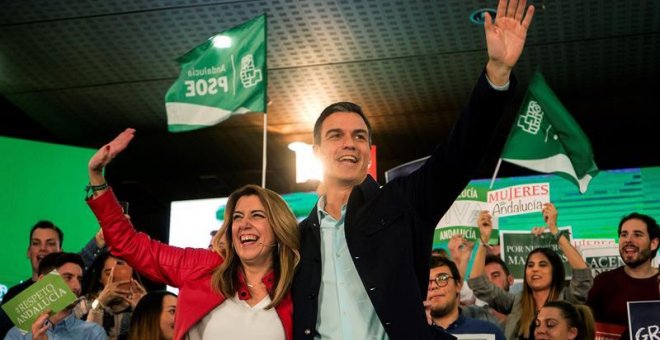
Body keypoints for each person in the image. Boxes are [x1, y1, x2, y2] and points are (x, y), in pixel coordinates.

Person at [292, 0, 535, 338]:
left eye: (359, 136)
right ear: (316, 150)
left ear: (368, 151)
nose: (349, 143)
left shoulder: (403, 204)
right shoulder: (296, 238)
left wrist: (496, 73)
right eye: (336, 135)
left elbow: (459, 153)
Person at [86, 130, 300, 340]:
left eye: (257, 215)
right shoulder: (204, 269)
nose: (244, 224)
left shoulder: (299, 287)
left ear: (278, 227)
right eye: (237, 217)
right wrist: (97, 177)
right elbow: (130, 245)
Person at [468, 204, 592, 340]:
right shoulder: (516, 302)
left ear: (555, 271)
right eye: (530, 265)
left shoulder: (568, 300)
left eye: (543, 264)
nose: (535, 269)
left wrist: (554, 230)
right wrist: (483, 240)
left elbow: (582, 275)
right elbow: (478, 284)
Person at [586, 212, 660, 338]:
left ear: (653, 243)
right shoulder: (604, 282)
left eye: (637, 235)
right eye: (624, 234)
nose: (628, 240)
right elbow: (587, 327)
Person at [5, 252, 107, 340]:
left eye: (79, 280)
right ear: (43, 282)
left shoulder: (93, 334)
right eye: (68, 277)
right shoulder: (17, 335)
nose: (77, 287)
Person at [426, 256, 506, 340]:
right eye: (427, 281)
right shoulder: (413, 334)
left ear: (458, 285)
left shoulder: (490, 333)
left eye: (442, 278)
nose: (434, 286)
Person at [81, 250, 147, 339]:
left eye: (122, 273)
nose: (116, 280)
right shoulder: (83, 306)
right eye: (109, 274)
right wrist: (99, 304)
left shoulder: (141, 304)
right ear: (100, 278)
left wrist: (144, 309)